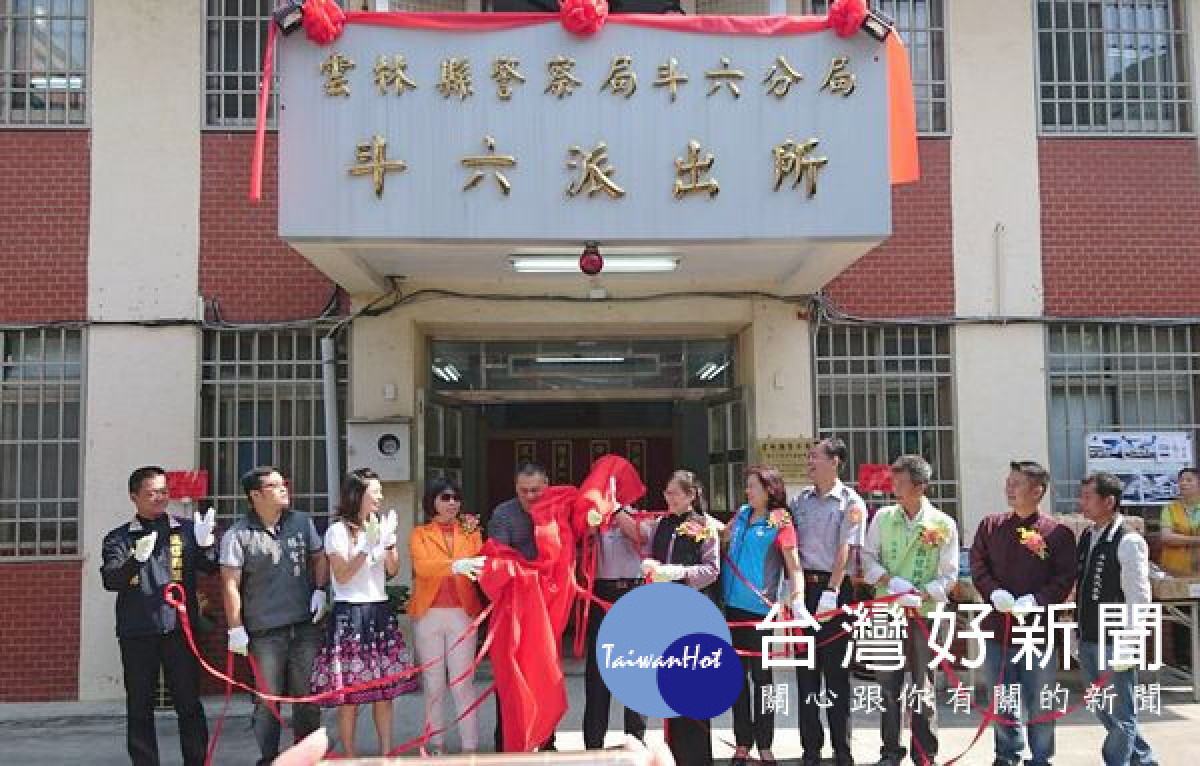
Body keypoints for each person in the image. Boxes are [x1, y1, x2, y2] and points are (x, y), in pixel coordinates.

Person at [100, 465, 219, 766]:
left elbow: (210, 568)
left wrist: (206, 545)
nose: (159, 498)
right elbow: (111, 580)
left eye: (163, 492)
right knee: (140, 707)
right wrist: (135, 561)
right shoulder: (119, 538)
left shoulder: (185, 530)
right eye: (151, 493)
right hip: (138, 632)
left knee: (189, 704)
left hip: (180, 631)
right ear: (134, 496)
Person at [969, 460, 1077, 766]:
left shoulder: (1057, 533)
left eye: (1016, 484)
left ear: (1037, 491)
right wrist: (993, 592)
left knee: (1040, 699)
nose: (1009, 488)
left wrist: (1037, 600)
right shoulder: (990, 526)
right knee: (1002, 698)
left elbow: (1065, 578)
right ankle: (1007, 753)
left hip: (1037, 632)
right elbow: (977, 564)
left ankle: (1041, 756)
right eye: (1008, 482)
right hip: (997, 629)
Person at [220, 466, 330, 766]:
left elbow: (319, 557)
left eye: (284, 483)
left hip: (305, 626)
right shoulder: (238, 534)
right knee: (267, 701)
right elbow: (230, 583)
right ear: (255, 495)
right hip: (264, 632)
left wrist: (320, 590)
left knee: (307, 698)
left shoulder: (302, 522)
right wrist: (235, 628)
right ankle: (268, 758)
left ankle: (308, 757)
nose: (284, 489)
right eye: (274, 485)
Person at [860, 455, 959, 766]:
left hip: (925, 614)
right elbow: (867, 560)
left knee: (922, 684)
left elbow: (949, 575)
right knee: (887, 684)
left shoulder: (943, 524)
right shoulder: (883, 518)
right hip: (887, 611)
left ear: (920, 487)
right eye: (894, 481)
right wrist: (892, 583)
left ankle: (924, 752)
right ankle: (890, 751)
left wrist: (923, 593)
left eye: (901, 483)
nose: (894, 488)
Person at [310, 468, 416, 756]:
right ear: (357, 495)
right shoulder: (337, 531)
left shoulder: (379, 524)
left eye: (381, 492)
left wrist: (389, 543)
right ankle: (349, 755)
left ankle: (386, 752)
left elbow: (392, 571)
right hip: (350, 613)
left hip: (378, 609)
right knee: (350, 695)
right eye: (375, 492)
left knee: (384, 692)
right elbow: (342, 575)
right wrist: (366, 547)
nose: (380, 497)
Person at [789, 437, 866, 766]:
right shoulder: (799, 501)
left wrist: (832, 591)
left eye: (815, 457)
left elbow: (846, 548)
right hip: (804, 591)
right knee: (806, 673)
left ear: (834, 461)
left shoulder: (851, 501)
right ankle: (810, 748)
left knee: (836, 673)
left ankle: (842, 748)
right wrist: (793, 592)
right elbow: (789, 544)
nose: (809, 462)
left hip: (835, 591)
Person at [721, 465, 804, 766]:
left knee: (763, 679)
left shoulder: (779, 519)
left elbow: (794, 565)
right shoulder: (743, 514)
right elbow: (723, 537)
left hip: (760, 612)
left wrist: (798, 598)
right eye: (747, 486)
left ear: (769, 490)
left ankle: (765, 744)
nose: (747, 491)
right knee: (736, 680)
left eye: (753, 486)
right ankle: (743, 742)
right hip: (732, 608)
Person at [1076, 472, 1159, 766]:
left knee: (1121, 712)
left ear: (1109, 501)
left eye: (1088, 497)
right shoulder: (1088, 536)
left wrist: (1131, 641)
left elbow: (1139, 595)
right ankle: (1144, 760)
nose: (1082, 502)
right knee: (1103, 708)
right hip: (1088, 636)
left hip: (1114, 640)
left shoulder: (1128, 541)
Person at [639, 469, 721, 766]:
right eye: (666, 493)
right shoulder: (662, 524)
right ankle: (675, 754)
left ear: (690, 495)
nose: (668, 498)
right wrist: (650, 567)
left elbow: (712, 570)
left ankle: (698, 758)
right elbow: (649, 554)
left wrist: (679, 573)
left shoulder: (704, 526)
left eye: (674, 493)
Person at [410, 476, 487, 755]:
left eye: (455, 498)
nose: (452, 503)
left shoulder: (470, 531)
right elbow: (424, 568)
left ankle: (470, 747)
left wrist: (466, 564)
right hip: (429, 613)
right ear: (432, 501)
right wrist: (455, 566)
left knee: (462, 683)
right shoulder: (420, 534)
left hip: (462, 613)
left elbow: (480, 564)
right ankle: (435, 744)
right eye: (445, 497)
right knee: (433, 684)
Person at [486, 461, 556, 752]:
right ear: (515, 488)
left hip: (549, 604)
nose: (530, 496)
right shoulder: (503, 514)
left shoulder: (557, 509)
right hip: (514, 606)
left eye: (535, 490)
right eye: (524, 490)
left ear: (547, 486)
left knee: (546, 672)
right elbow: (500, 557)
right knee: (510, 674)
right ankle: (506, 743)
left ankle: (546, 738)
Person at [582, 476, 647, 751]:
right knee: (598, 672)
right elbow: (582, 546)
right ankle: (594, 742)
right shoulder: (594, 517)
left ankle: (636, 739)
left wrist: (617, 510)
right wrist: (591, 523)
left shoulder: (639, 516)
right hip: (602, 594)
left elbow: (640, 536)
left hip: (633, 592)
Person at [1160, 467, 1200, 576]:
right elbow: (1166, 537)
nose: (1183, 483)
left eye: (1189, 480)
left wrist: (1180, 538)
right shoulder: (1170, 508)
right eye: (1181, 480)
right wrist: (1197, 540)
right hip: (1175, 569)